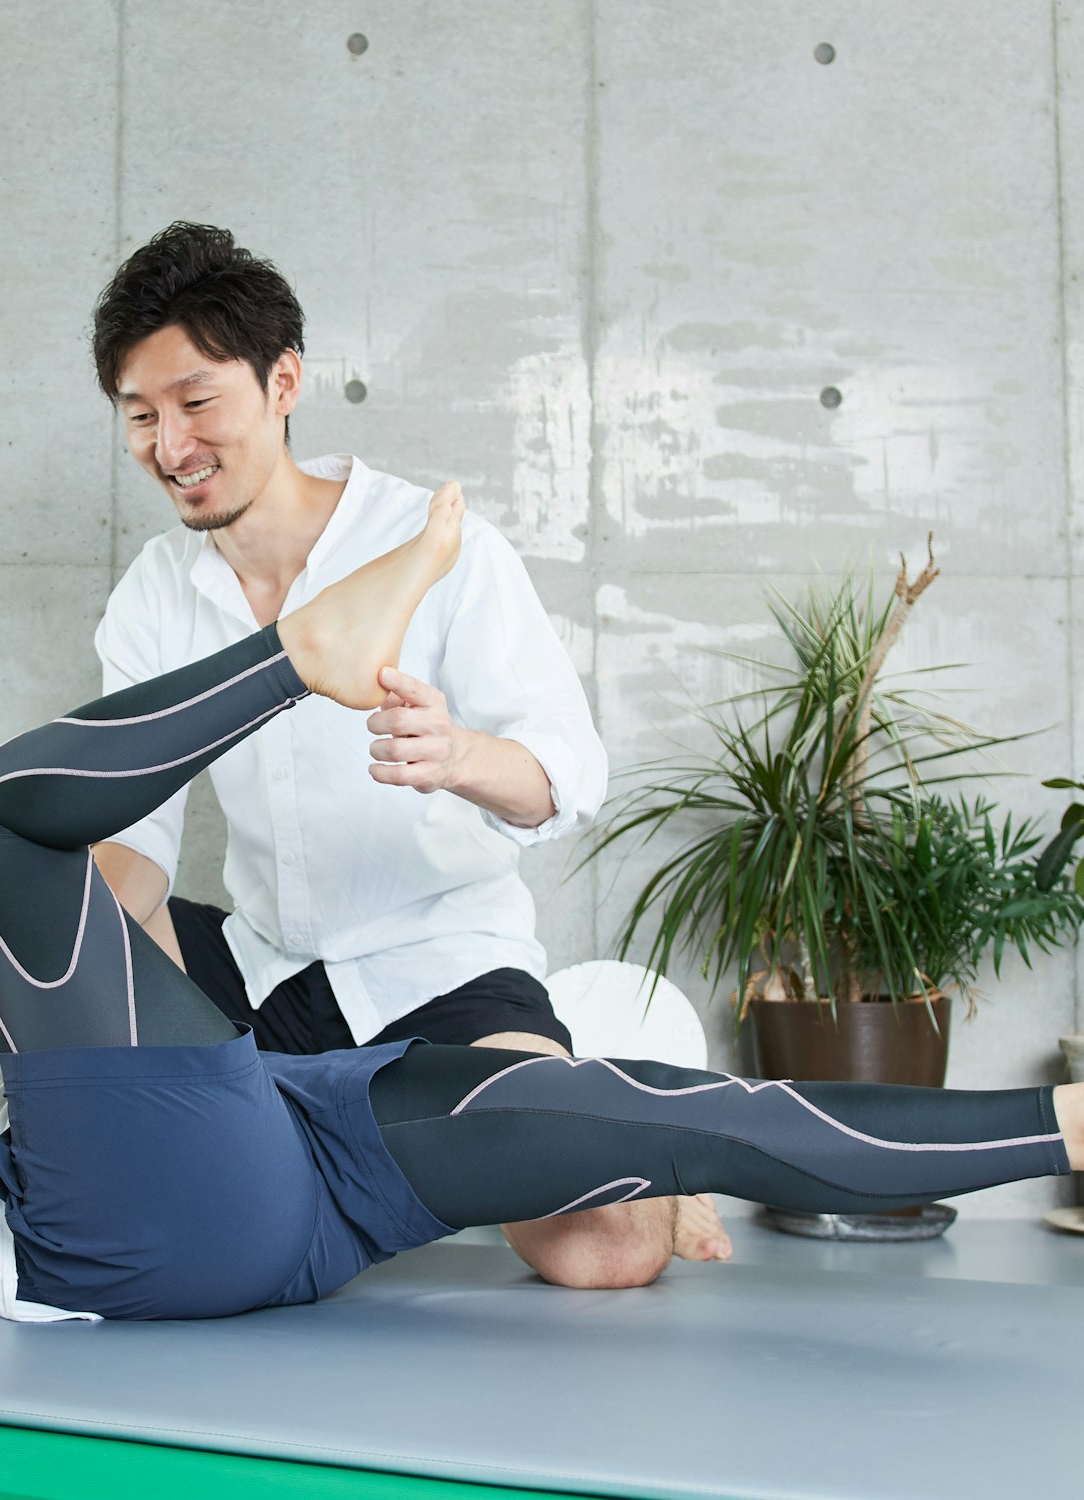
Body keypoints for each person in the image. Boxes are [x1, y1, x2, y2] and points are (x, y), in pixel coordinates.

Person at [0, 490, 1084, 1424]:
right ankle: (310, 652)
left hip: (288, 1152)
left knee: (646, 1112)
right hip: (118, 1230)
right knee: (13, 822)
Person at [89, 220, 729, 1283]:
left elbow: (563, 775)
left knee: (601, 1256)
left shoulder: (438, 543)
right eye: (140, 415)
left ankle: (614, 1130)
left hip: (438, 964)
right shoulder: (155, 596)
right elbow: (137, 845)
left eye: (197, 403)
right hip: (260, 968)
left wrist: (457, 754)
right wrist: (73, 949)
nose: (170, 445)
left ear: (281, 381)